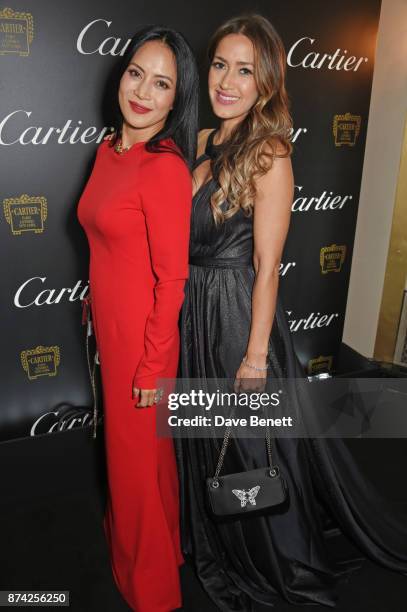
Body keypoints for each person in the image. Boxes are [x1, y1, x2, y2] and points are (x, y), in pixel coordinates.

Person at [174, 14, 407, 611]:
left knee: (250, 444)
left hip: (235, 318)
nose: (227, 81)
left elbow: (268, 264)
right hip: (195, 312)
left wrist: (255, 356)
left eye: (245, 70)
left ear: (267, 83)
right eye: (221, 64)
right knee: (208, 435)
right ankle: (220, 542)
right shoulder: (202, 142)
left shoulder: (269, 153)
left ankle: (271, 554)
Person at [77, 25, 198, 612]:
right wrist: (93, 307)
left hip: (145, 344)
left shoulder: (164, 169)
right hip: (113, 328)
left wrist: (152, 366)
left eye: (162, 83)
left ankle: (151, 590)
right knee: (141, 463)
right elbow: (108, 243)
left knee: (132, 466)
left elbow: (173, 278)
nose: (143, 92)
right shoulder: (108, 150)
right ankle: (159, 549)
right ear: (120, 75)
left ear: (177, 99)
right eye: (135, 74)